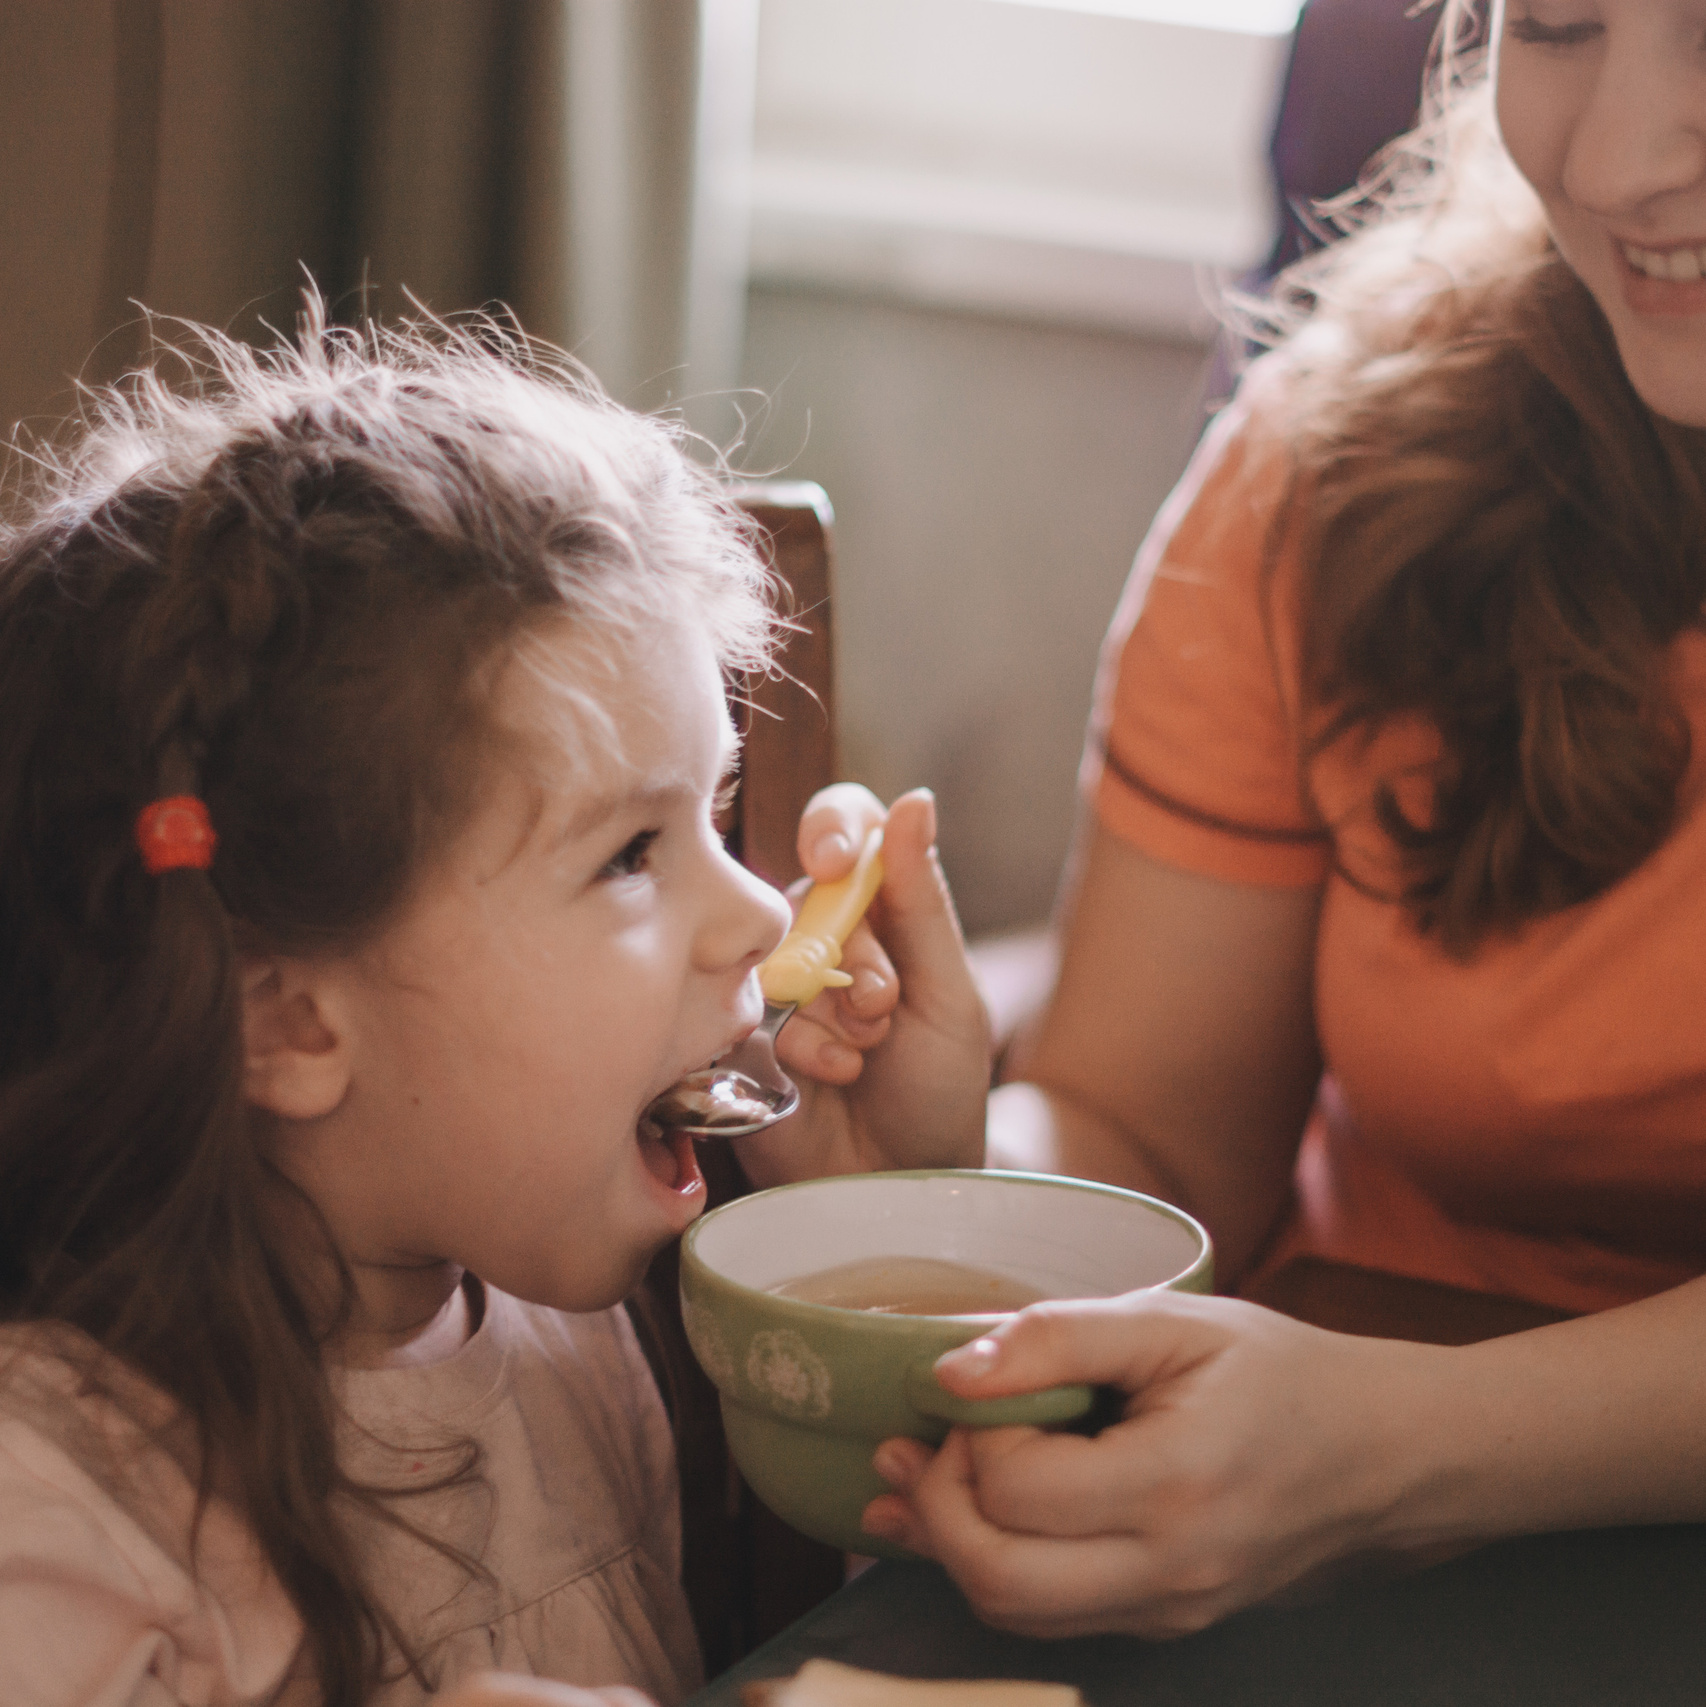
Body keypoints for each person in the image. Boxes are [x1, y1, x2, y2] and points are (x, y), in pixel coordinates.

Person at [852, 0, 1706, 1641]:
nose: (1606, 157)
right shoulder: (1335, 465)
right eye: (1557, 24)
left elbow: (1369, 1449)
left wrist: (1393, 1448)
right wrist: (947, 1170)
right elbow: (1155, 1145)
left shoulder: (1370, 1453)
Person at [0, 309, 987, 1706]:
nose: (764, 915)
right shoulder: (56, 1518)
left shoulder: (562, 1315)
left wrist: (873, 1224)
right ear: (287, 1025)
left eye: (710, 812)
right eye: (630, 856)